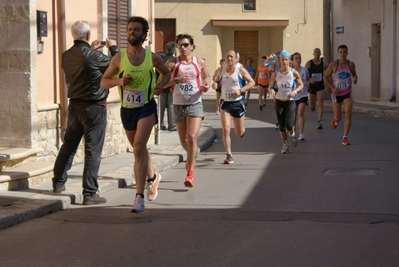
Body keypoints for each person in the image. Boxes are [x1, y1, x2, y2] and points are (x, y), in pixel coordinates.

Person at [101, 16, 171, 213]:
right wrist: (119, 82)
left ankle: (139, 197)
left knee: (139, 147)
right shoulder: (119, 58)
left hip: (146, 107)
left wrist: (160, 85)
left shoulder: (152, 57)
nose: (132, 32)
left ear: (144, 34)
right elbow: (104, 81)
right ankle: (152, 177)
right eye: (130, 29)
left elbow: (166, 73)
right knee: (139, 151)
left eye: (136, 30)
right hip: (127, 110)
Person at [52, 20, 119, 205]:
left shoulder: (66, 55)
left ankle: (58, 182)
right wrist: (113, 48)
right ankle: (89, 193)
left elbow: (85, 65)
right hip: (95, 107)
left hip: (74, 106)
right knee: (93, 151)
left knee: (68, 146)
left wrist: (91, 49)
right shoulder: (93, 56)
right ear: (88, 35)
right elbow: (117, 65)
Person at [164, 33, 210, 187]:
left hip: (195, 103)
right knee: (184, 141)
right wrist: (176, 80)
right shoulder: (172, 63)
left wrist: (206, 85)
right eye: (180, 45)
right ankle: (191, 158)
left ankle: (190, 174)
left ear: (192, 46)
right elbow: (160, 85)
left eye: (185, 45)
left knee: (191, 137)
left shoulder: (200, 62)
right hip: (178, 104)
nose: (182, 48)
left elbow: (207, 77)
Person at [213, 49, 255, 164]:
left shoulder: (240, 69)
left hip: (237, 103)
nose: (229, 59)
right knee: (226, 128)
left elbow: (252, 82)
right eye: (227, 56)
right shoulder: (221, 70)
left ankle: (242, 129)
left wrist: (240, 90)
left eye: (232, 56)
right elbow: (216, 81)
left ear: (236, 59)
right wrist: (215, 84)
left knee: (239, 132)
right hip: (225, 103)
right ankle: (229, 155)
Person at [268, 50, 304, 154]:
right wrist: (271, 91)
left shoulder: (293, 73)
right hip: (279, 101)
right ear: (279, 61)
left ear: (289, 61)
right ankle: (285, 144)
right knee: (282, 126)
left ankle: (292, 134)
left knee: (289, 125)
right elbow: (270, 87)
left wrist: (295, 91)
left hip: (290, 101)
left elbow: (301, 84)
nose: (284, 62)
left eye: (286, 60)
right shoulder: (276, 74)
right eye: (282, 60)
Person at [323, 44, 358, 146]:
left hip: (347, 92)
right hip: (337, 93)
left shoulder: (351, 64)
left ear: (347, 53)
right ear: (338, 53)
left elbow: (354, 75)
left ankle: (345, 138)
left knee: (348, 113)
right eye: (340, 52)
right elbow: (325, 77)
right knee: (338, 117)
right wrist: (332, 88)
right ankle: (335, 120)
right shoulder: (334, 65)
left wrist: (355, 79)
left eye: (344, 52)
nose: (342, 54)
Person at [305, 48, 327, 129]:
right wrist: (309, 79)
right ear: (313, 54)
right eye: (316, 52)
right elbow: (305, 74)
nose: (317, 53)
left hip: (320, 85)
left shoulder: (323, 64)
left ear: (320, 53)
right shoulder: (309, 63)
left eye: (318, 52)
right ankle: (312, 106)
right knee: (312, 105)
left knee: (320, 102)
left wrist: (325, 78)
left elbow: (328, 72)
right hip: (312, 86)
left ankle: (320, 121)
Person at [291, 52, 310, 141]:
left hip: (303, 94)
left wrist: (309, 84)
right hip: (293, 95)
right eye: (296, 58)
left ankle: (301, 133)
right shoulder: (290, 72)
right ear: (293, 61)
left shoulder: (305, 70)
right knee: (293, 115)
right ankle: (293, 130)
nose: (298, 60)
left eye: (299, 58)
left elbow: (309, 80)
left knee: (300, 113)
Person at [159, 42, 177, 131]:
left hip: (161, 85)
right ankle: (172, 124)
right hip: (171, 85)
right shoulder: (174, 60)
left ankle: (160, 123)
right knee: (171, 105)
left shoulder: (161, 59)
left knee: (161, 106)